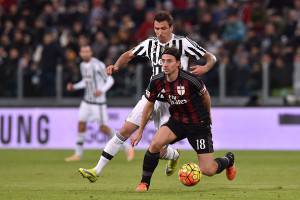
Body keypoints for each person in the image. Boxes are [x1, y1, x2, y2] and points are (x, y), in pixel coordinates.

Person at [78, 11, 217, 182]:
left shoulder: (184, 43)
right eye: (156, 28)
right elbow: (129, 55)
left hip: (174, 102)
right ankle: (96, 171)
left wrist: (206, 67)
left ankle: (173, 156)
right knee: (124, 131)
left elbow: (210, 57)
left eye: (163, 28)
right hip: (151, 96)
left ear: (171, 28)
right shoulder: (150, 44)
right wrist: (115, 66)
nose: (159, 32)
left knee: (159, 149)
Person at [131, 47, 237, 192]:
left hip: (198, 124)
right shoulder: (156, 81)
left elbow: (205, 96)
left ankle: (229, 160)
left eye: (169, 61)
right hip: (178, 121)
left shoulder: (191, 80)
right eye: (163, 61)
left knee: (208, 170)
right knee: (155, 144)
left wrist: (208, 114)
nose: (165, 64)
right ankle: (144, 183)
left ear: (178, 64)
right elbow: (149, 105)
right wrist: (140, 131)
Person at [65, 45, 134, 162]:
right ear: (80, 54)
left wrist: (101, 90)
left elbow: (110, 80)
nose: (85, 53)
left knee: (103, 128)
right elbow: (86, 82)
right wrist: (74, 87)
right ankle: (78, 154)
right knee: (81, 125)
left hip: (98, 104)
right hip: (86, 102)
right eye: (83, 52)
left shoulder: (98, 65)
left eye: (87, 51)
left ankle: (127, 148)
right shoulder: (82, 65)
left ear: (91, 53)